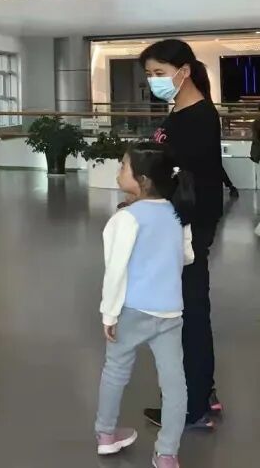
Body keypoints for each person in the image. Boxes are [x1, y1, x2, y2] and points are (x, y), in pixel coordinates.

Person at [95, 142, 194, 468]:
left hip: (132, 310)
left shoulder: (126, 218)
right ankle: (167, 454)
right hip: (170, 311)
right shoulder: (178, 213)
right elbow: (187, 256)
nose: (118, 171)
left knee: (115, 371)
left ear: (143, 180)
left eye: (123, 166)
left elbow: (115, 270)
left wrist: (109, 314)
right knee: (174, 383)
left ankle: (106, 434)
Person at [140, 39, 221, 429]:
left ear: (184, 71)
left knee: (186, 313)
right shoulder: (179, 111)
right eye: (149, 75)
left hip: (185, 225)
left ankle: (191, 405)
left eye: (159, 73)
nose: (154, 81)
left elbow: (183, 176)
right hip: (175, 222)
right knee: (189, 307)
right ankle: (203, 391)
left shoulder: (198, 117)